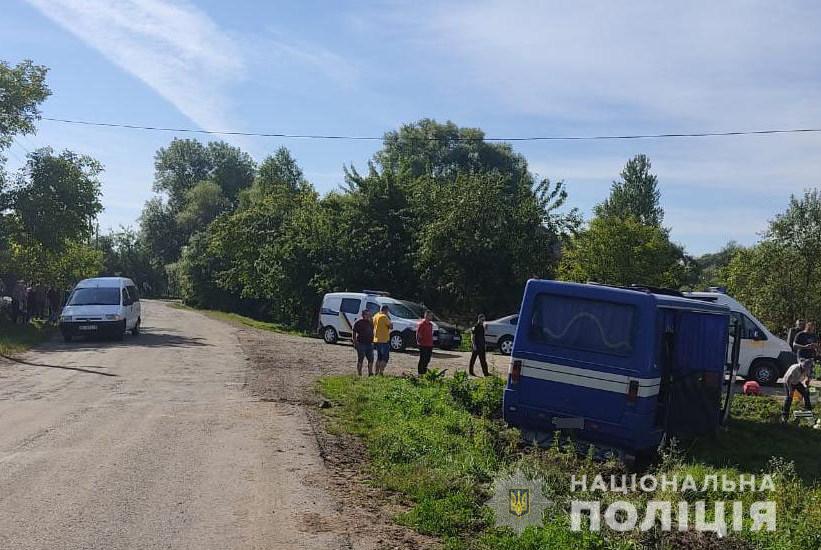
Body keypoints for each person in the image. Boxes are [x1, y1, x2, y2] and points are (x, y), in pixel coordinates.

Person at [352, 310, 375, 376]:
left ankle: (370, 373)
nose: (369, 316)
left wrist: (373, 341)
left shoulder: (370, 322)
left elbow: (372, 331)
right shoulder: (359, 322)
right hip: (361, 343)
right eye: (367, 315)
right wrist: (355, 342)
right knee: (361, 359)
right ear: (363, 315)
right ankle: (359, 374)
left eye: (369, 315)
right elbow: (354, 332)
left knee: (371, 359)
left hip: (370, 343)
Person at [372, 305, 392, 375]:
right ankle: (381, 372)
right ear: (386, 310)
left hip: (376, 339)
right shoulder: (384, 316)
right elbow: (391, 326)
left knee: (379, 358)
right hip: (384, 340)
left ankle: (376, 372)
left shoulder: (375, 316)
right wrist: (389, 318)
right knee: (385, 358)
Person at [416, 309, 435, 375]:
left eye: (431, 316)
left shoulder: (431, 325)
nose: (431, 317)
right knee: (423, 359)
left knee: (428, 359)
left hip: (429, 344)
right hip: (423, 344)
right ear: (426, 316)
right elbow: (418, 334)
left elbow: (431, 334)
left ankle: (424, 372)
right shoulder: (422, 324)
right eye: (430, 316)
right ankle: (420, 373)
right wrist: (419, 342)